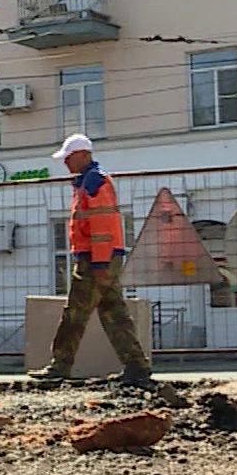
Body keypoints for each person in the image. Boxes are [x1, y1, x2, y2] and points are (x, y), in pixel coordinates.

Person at [30, 133, 152, 385]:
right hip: (103, 258)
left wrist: (98, 263)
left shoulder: (94, 183)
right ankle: (137, 367)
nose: (65, 163)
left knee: (75, 313)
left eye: (68, 158)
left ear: (83, 155)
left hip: (96, 260)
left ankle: (59, 367)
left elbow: (101, 225)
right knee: (114, 312)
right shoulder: (88, 181)